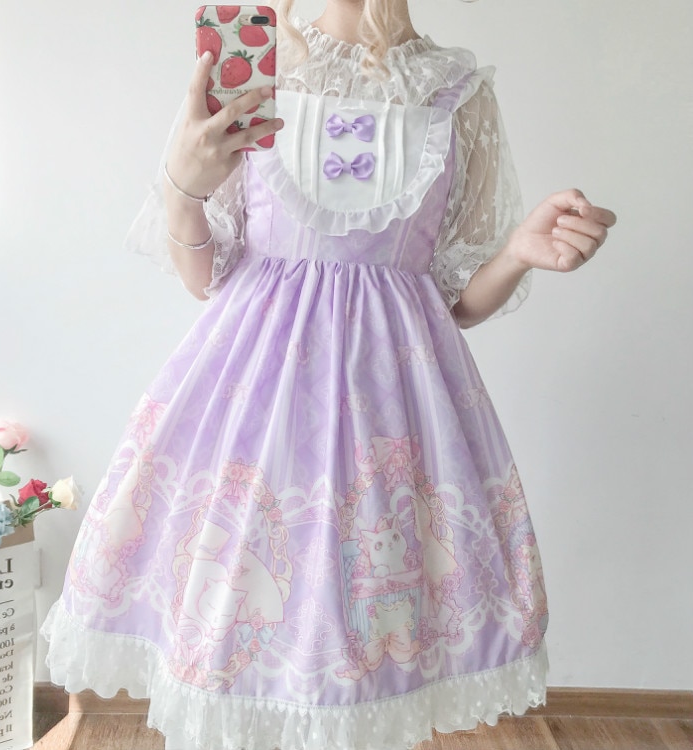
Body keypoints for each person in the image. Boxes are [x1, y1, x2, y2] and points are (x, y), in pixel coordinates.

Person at [42, 1, 617, 748]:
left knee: (370, 616)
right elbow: (204, 275)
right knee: (247, 603)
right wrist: (184, 185)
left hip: (394, 409)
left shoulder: (460, 92)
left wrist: (515, 254)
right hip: (257, 403)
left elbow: (451, 301)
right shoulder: (258, 69)